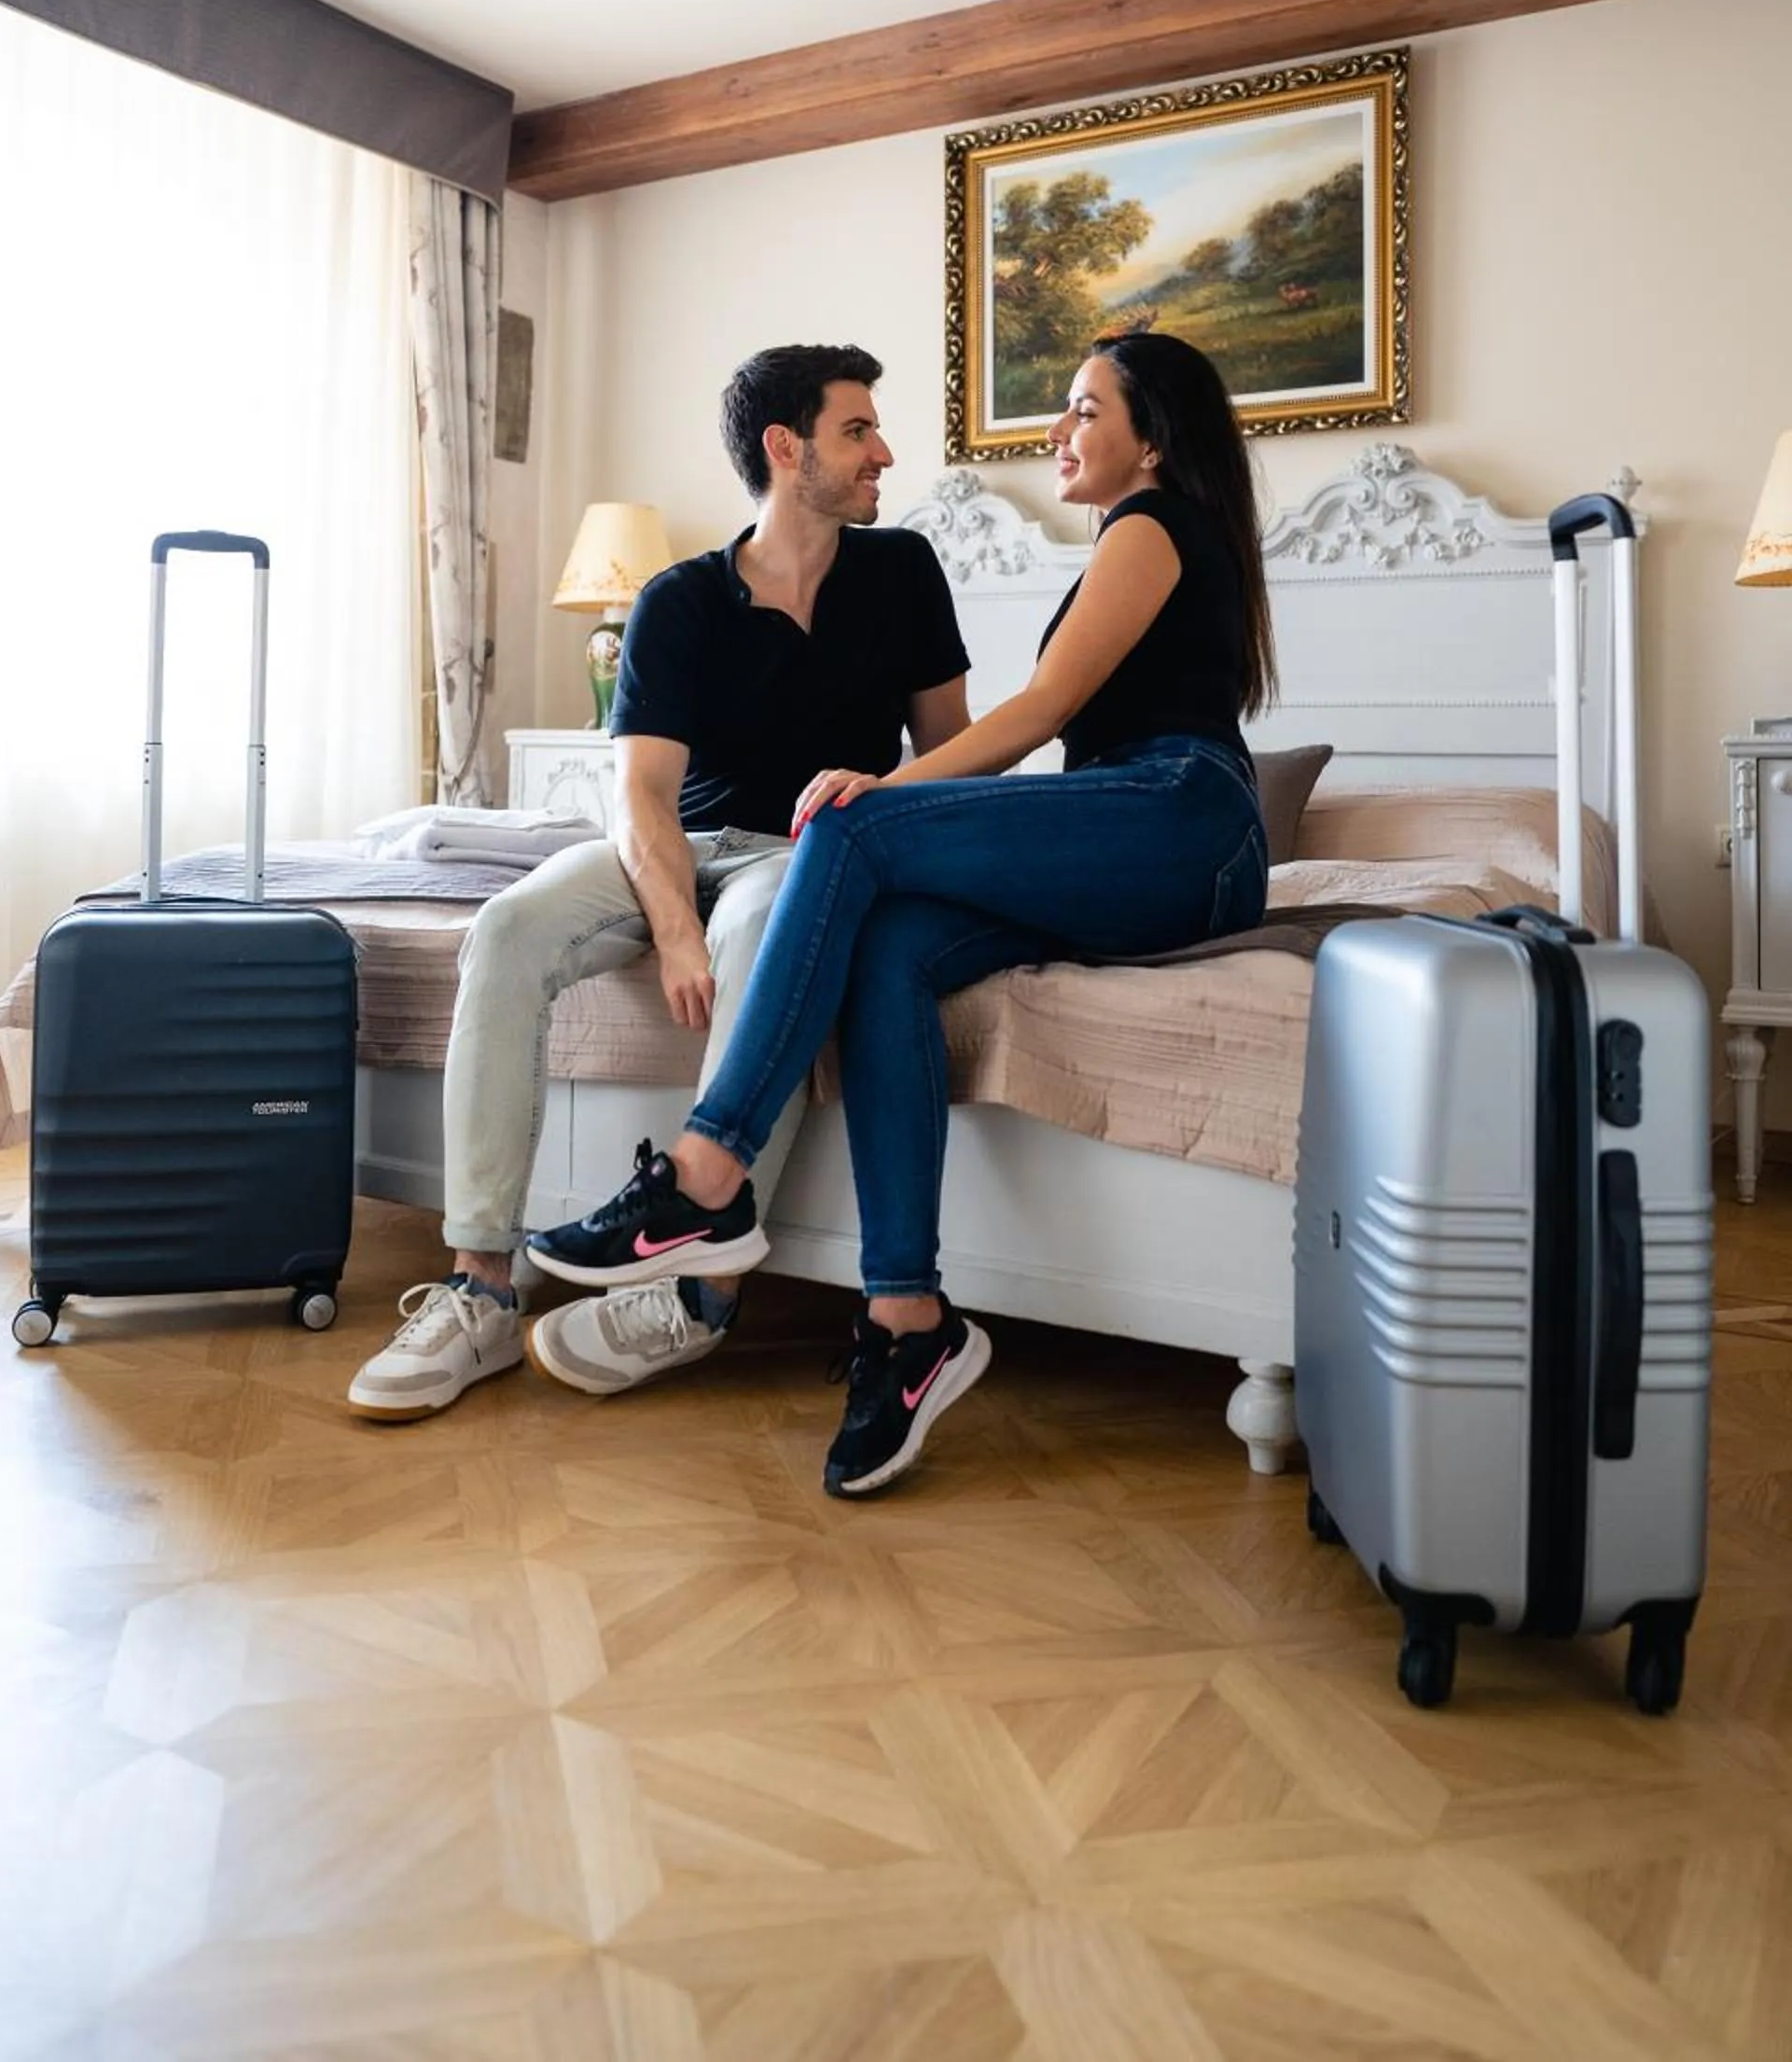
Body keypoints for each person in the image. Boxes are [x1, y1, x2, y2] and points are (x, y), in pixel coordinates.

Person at [549, 329, 1275, 1495]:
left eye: (1087, 411)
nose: (1059, 431)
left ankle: (705, 1171)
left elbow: (1040, 710)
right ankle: (905, 1316)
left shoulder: (1153, 523)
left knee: (844, 825)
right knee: (888, 951)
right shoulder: (1125, 540)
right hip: (1130, 833)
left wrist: (880, 794)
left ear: (1155, 439)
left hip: (1185, 820)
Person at [347, 344, 970, 1419]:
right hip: (676, 845)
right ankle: (479, 1289)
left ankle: (697, 1295)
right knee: (504, 929)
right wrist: (673, 929)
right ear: (786, 449)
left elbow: (954, 753)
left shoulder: (903, 571)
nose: (884, 452)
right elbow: (641, 798)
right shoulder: (677, 600)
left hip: (810, 852)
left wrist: (876, 800)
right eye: (857, 430)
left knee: (761, 951)